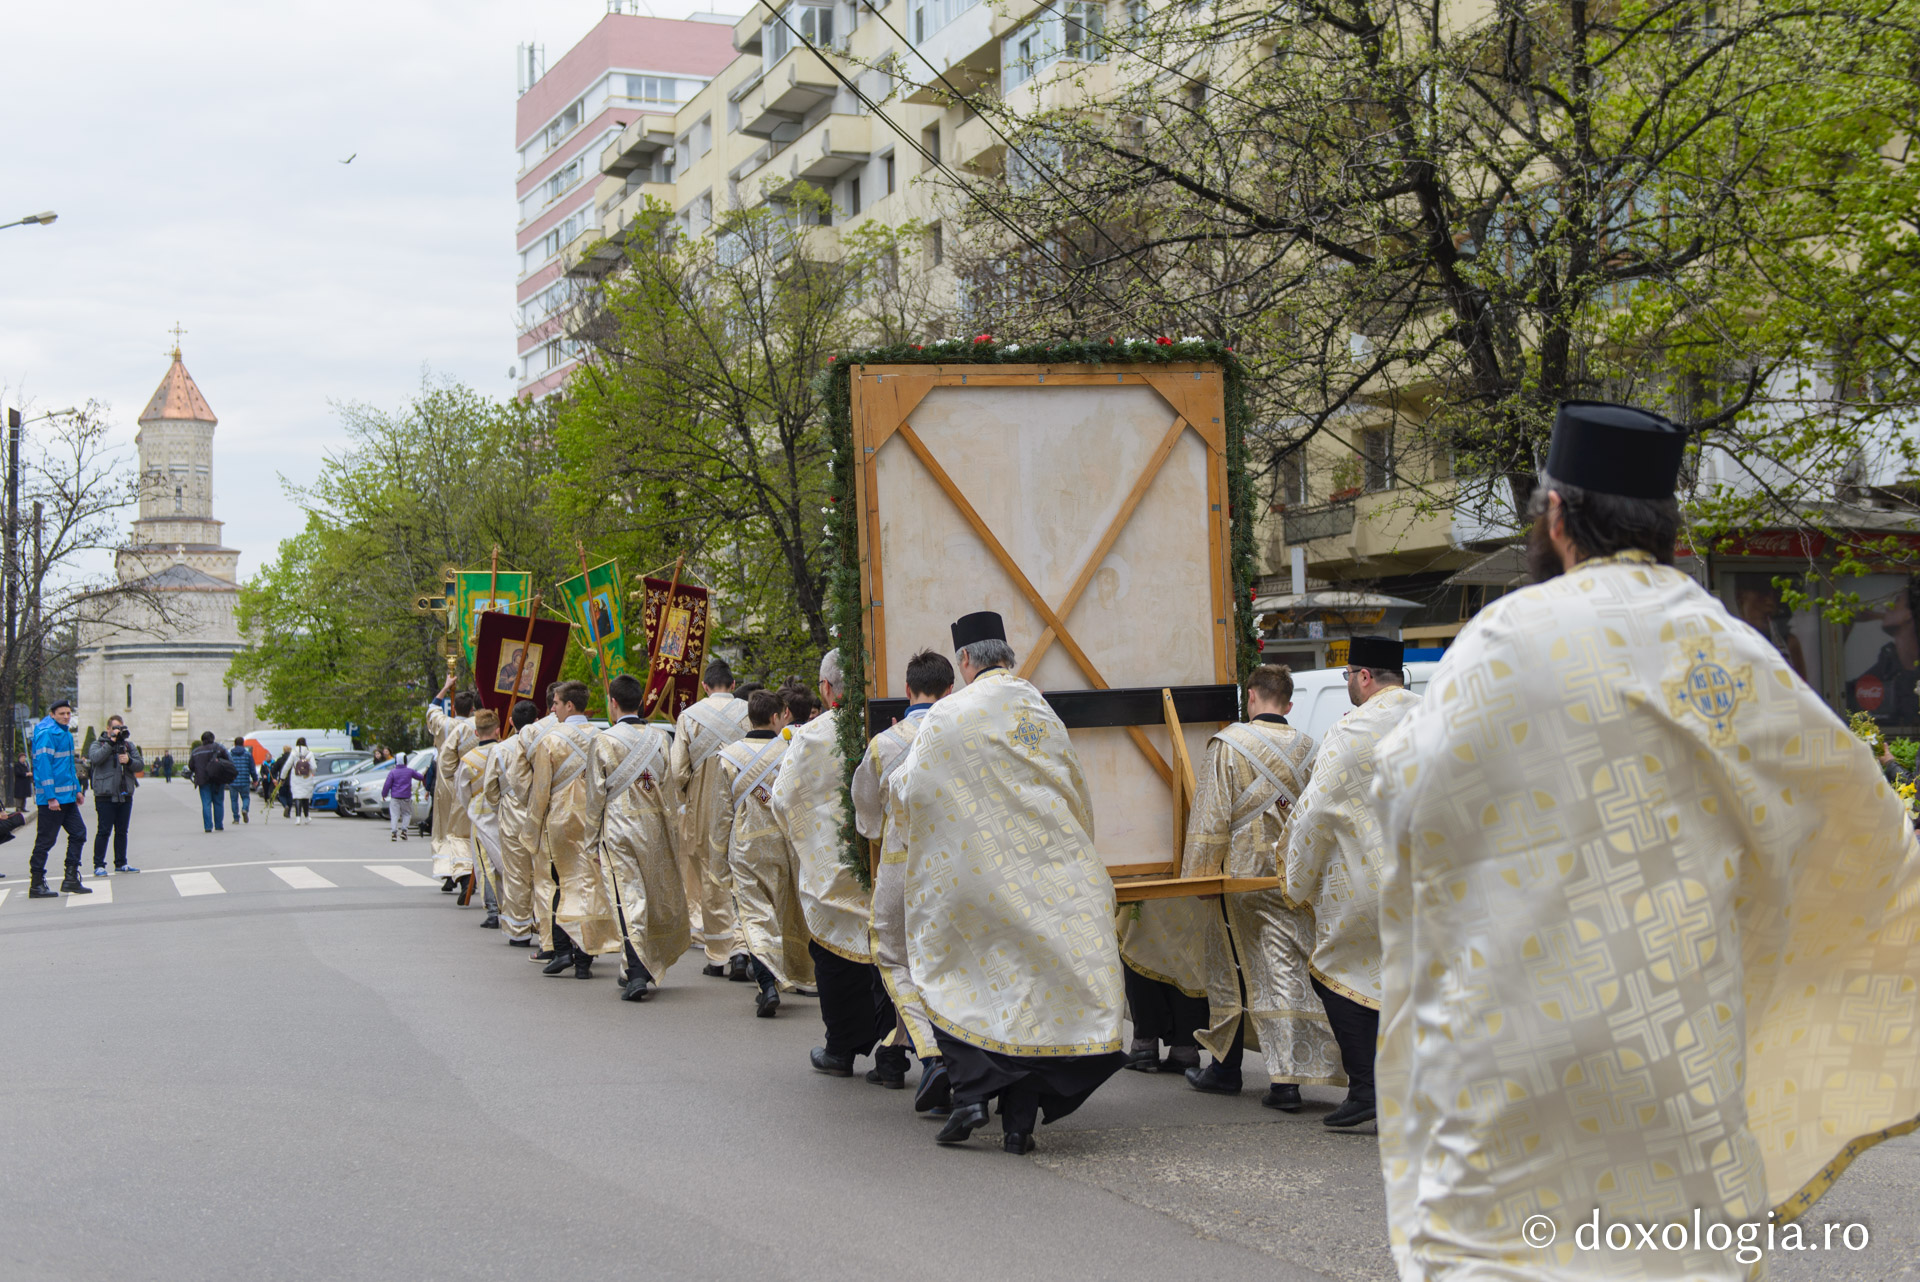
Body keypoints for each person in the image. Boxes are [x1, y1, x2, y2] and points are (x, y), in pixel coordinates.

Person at [1369, 401, 1920, 1277]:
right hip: (1675, 1057)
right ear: (1667, 527)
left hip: (1513, 1059)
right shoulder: (1728, 653)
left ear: (1556, 515)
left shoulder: (1504, 641)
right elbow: (1862, 825)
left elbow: (1404, 801)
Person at [893, 612, 1127, 1154]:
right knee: (1033, 998)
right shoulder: (1040, 709)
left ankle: (973, 1095)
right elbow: (1073, 786)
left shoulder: (948, 714)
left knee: (953, 977)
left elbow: (914, 788)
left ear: (966, 662)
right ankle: (1019, 1127)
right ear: (1006, 655)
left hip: (978, 878)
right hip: (1048, 871)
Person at [1172, 663, 1340, 1110]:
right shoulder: (1311, 748)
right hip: (1292, 877)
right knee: (1288, 971)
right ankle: (1283, 1074)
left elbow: (1210, 819)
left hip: (1240, 879)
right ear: (1287, 703)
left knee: (1231, 972)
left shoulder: (1228, 745)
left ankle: (1238, 1073)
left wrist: (1200, 877)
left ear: (1251, 696)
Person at [1277, 635, 1419, 1130]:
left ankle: (1368, 1090)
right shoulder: (1438, 717)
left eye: (1347, 677)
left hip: (1369, 880)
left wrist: (1297, 876)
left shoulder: (1351, 731)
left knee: (1338, 973)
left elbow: (1317, 811)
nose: (1348, 688)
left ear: (1364, 676)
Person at [772, 650, 902, 1081]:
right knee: (891, 957)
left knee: (834, 958)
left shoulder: (811, 736)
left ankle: (840, 1050)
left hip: (834, 864)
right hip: (886, 859)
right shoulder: (890, 730)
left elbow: (783, 797)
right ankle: (893, 1056)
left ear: (827, 689)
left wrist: (805, 838)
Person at [853, 648, 955, 1110]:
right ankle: (943, 1056)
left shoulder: (885, 743)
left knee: (895, 959)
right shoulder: (961, 735)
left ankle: (932, 1055)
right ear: (951, 690)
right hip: (955, 867)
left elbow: (868, 817)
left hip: (899, 865)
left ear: (908, 690)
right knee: (951, 963)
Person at [712, 687, 813, 1016]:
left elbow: (721, 814)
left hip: (745, 847)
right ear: (775, 717)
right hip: (783, 846)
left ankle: (767, 983)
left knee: (755, 915)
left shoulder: (727, 757)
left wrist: (717, 859)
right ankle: (779, 975)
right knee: (780, 913)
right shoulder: (789, 752)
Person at [592, 673, 690, 1001]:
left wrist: (591, 838)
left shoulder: (604, 740)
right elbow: (666, 784)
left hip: (619, 828)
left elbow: (595, 795)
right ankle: (641, 963)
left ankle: (635, 971)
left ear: (613, 703)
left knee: (627, 897)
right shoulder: (659, 739)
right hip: (655, 828)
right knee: (648, 896)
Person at [529, 680, 621, 978]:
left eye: (555, 703)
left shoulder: (550, 740)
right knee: (592, 883)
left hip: (562, 821)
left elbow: (540, 790)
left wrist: (532, 828)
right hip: (596, 819)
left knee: (561, 882)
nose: (552, 708)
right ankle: (585, 956)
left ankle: (563, 948)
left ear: (569, 705)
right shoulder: (603, 736)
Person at [671, 659, 751, 979]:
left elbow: (678, 771)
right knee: (742, 872)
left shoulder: (689, 717)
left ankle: (720, 953)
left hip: (704, 804)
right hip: (742, 800)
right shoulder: (747, 711)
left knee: (710, 873)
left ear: (705, 686)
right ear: (733, 684)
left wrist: (687, 795)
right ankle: (744, 947)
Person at [485, 698, 543, 946]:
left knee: (516, 874)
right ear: (538, 721)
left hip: (511, 817)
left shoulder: (499, 749)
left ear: (510, 722)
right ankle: (545, 927)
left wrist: (500, 806)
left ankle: (519, 930)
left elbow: (490, 790)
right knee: (542, 873)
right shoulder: (546, 745)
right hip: (540, 814)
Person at [27, 699, 91, 898]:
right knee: (45, 841)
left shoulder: (64, 733)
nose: (66, 716)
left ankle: (70, 878)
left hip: (67, 798)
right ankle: (36, 883)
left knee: (79, 833)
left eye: (68, 713)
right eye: (62, 713)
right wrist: (51, 798)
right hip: (52, 800)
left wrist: (76, 791)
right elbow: (43, 769)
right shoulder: (47, 734)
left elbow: (68, 766)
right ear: (52, 714)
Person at [424, 680, 480, 893]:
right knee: (464, 830)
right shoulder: (476, 726)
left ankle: (450, 874)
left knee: (445, 828)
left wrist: (446, 686)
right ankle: (466, 873)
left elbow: (432, 709)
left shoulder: (443, 723)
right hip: (469, 781)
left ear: (454, 708)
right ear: (473, 709)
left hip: (446, 783)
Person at [456, 710, 503, 925]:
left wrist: (472, 808)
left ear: (476, 732)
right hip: (504, 812)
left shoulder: (468, 760)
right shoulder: (505, 752)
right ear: (498, 730)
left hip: (480, 814)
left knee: (486, 864)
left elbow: (462, 792)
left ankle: (494, 910)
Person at [86, 715, 144, 876]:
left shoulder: (128, 745)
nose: (118, 730)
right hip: (105, 794)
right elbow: (95, 759)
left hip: (124, 794)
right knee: (104, 830)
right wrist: (110, 743)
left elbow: (140, 765)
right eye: (115, 727)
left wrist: (129, 760)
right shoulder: (98, 744)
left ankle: (121, 863)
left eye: (121, 727)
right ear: (108, 728)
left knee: (122, 831)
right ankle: (99, 864)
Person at [188, 730, 236, 833]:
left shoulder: (196, 751)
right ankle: (219, 825)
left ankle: (208, 826)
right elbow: (230, 761)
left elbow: (191, 766)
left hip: (203, 780)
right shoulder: (219, 748)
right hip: (218, 779)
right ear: (213, 739)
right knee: (218, 802)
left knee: (206, 803)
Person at [382, 752, 424, 842]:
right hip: (406, 797)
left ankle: (394, 833)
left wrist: (384, 794)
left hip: (395, 797)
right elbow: (420, 777)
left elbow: (387, 784)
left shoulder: (393, 772)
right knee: (406, 814)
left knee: (394, 815)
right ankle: (404, 831)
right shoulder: (409, 771)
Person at [284, 737, 318, 823]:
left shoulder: (293, 753)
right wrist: (312, 772)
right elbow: (314, 767)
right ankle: (307, 817)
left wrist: (282, 777)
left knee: (297, 797)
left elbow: (287, 766)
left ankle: (298, 818)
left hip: (296, 777)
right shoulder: (309, 754)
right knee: (305, 798)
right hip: (307, 777)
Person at [226, 737, 255, 825]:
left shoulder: (230, 754)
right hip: (245, 780)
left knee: (234, 800)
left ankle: (236, 818)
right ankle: (245, 809)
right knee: (246, 797)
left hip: (233, 781)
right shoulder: (247, 754)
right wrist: (255, 779)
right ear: (243, 744)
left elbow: (227, 767)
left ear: (234, 744)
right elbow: (252, 768)